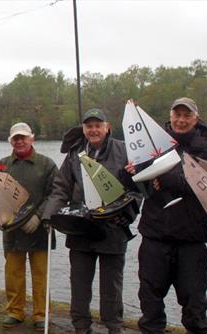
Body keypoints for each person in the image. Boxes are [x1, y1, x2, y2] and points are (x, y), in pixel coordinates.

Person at [42, 108, 137, 334]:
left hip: (113, 228)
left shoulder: (124, 151)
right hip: (80, 227)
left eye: (97, 125)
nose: (93, 130)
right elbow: (60, 187)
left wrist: (128, 213)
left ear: (107, 127)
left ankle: (114, 326)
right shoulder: (75, 154)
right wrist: (50, 216)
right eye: (89, 126)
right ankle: (81, 326)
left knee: (111, 286)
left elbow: (136, 188)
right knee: (80, 283)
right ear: (83, 129)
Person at [131, 98, 207, 334]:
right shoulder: (151, 144)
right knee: (150, 305)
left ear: (195, 119)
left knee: (195, 307)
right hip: (154, 236)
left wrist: (171, 178)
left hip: (191, 240)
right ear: (170, 116)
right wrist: (128, 172)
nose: (180, 120)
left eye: (186, 116)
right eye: (176, 115)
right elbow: (138, 184)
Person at [0, 122, 57, 332]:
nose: (19, 141)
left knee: (41, 275)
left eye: (23, 137)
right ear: (11, 141)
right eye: (15, 138)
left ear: (31, 138)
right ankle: (15, 311)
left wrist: (39, 216)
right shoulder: (1, 166)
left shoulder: (47, 165)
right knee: (13, 273)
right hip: (12, 232)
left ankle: (41, 314)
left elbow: (56, 194)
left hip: (40, 229)